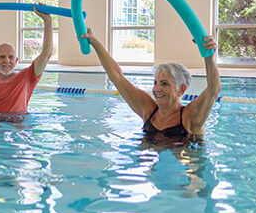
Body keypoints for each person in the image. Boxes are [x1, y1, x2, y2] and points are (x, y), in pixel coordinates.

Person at [80, 28, 220, 141]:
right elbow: (117, 76)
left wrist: (209, 56)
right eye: (155, 83)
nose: (156, 89)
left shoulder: (190, 117)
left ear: (181, 89)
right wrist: (95, 43)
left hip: (184, 173)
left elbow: (213, 90)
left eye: (164, 84)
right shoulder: (149, 111)